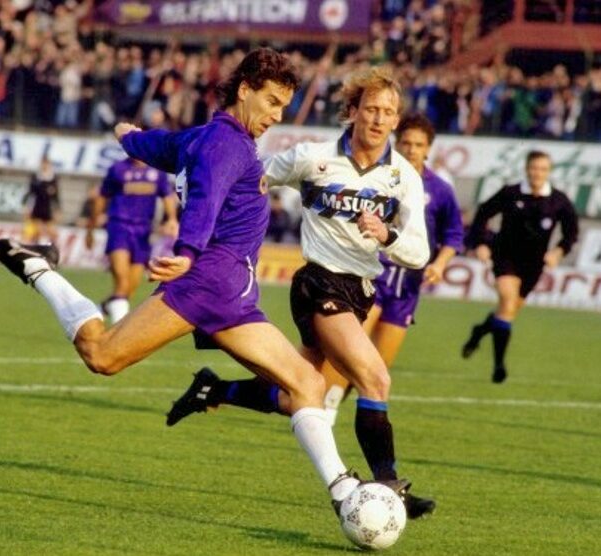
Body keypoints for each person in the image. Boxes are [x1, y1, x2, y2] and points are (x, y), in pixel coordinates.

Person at [0, 48, 384, 517]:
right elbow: (205, 202)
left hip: (233, 294)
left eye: (283, 106)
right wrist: (188, 251)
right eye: (272, 102)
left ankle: (342, 493)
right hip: (207, 284)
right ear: (244, 90)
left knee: (306, 385)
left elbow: (162, 148)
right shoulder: (226, 145)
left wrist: (131, 139)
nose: (277, 116)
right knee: (103, 355)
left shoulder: (205, 137)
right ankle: (40, 269)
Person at [167, 67, 435, 519]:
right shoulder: (312, 158)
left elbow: (419, 253)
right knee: (375, 377)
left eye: (388, 112)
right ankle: (390, 487)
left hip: (360, 290)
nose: (378, 119)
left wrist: (387, 234)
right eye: (371, 109)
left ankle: (214, 390)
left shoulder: (404, 177)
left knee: (298, 392)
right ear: (352, 112)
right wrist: (205, 208)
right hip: (318, 284)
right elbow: (250, 178)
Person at [321, 112, 464, 425]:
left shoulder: (440, 190)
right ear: (397, 143)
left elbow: (454, 233)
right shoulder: (381, 177)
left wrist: (440, 263)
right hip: (373, 276)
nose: (412, 149)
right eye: (407, 143)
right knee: (352, 351)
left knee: (377, 366)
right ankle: (325, 412)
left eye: (419, 145)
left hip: (407, 288)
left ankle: (335, 401)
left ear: (429, 149)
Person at [461, 150, 579, 383]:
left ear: (549, 172)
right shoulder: (510, 193)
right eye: (534, 168)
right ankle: (498, 366)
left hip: (533, 265)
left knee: (509, 311)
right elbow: (483, 213)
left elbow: (571, 231)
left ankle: (480, 331)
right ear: (526, 169)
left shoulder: (558, 201)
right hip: (505, 257)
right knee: (506, 300)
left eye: (543, 169)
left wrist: (558, 251)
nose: (537, 173)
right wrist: (481, 243)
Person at [86, 157, 179, 324]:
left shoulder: (156, 171)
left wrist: (172, 219)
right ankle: (119, 329)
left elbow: (167, 195)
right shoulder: (118, 169)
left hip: (143, 232)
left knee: (128, 290)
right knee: (122, 282)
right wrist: (90, 229)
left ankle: (99, 310)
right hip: (118, 228)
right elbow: (102, 197)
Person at [23, 155, 60, 244]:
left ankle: (53, 248)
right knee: (37, 232)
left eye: (46, 163)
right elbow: (30, 193)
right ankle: (35, 248)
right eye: (43, 163)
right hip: (37, 207)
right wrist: (26, 207)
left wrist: (57, 209)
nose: (44, 165)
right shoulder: (35, 177)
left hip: (47, 208)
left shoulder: (53, 177)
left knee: (52, 232)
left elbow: (56, 196)